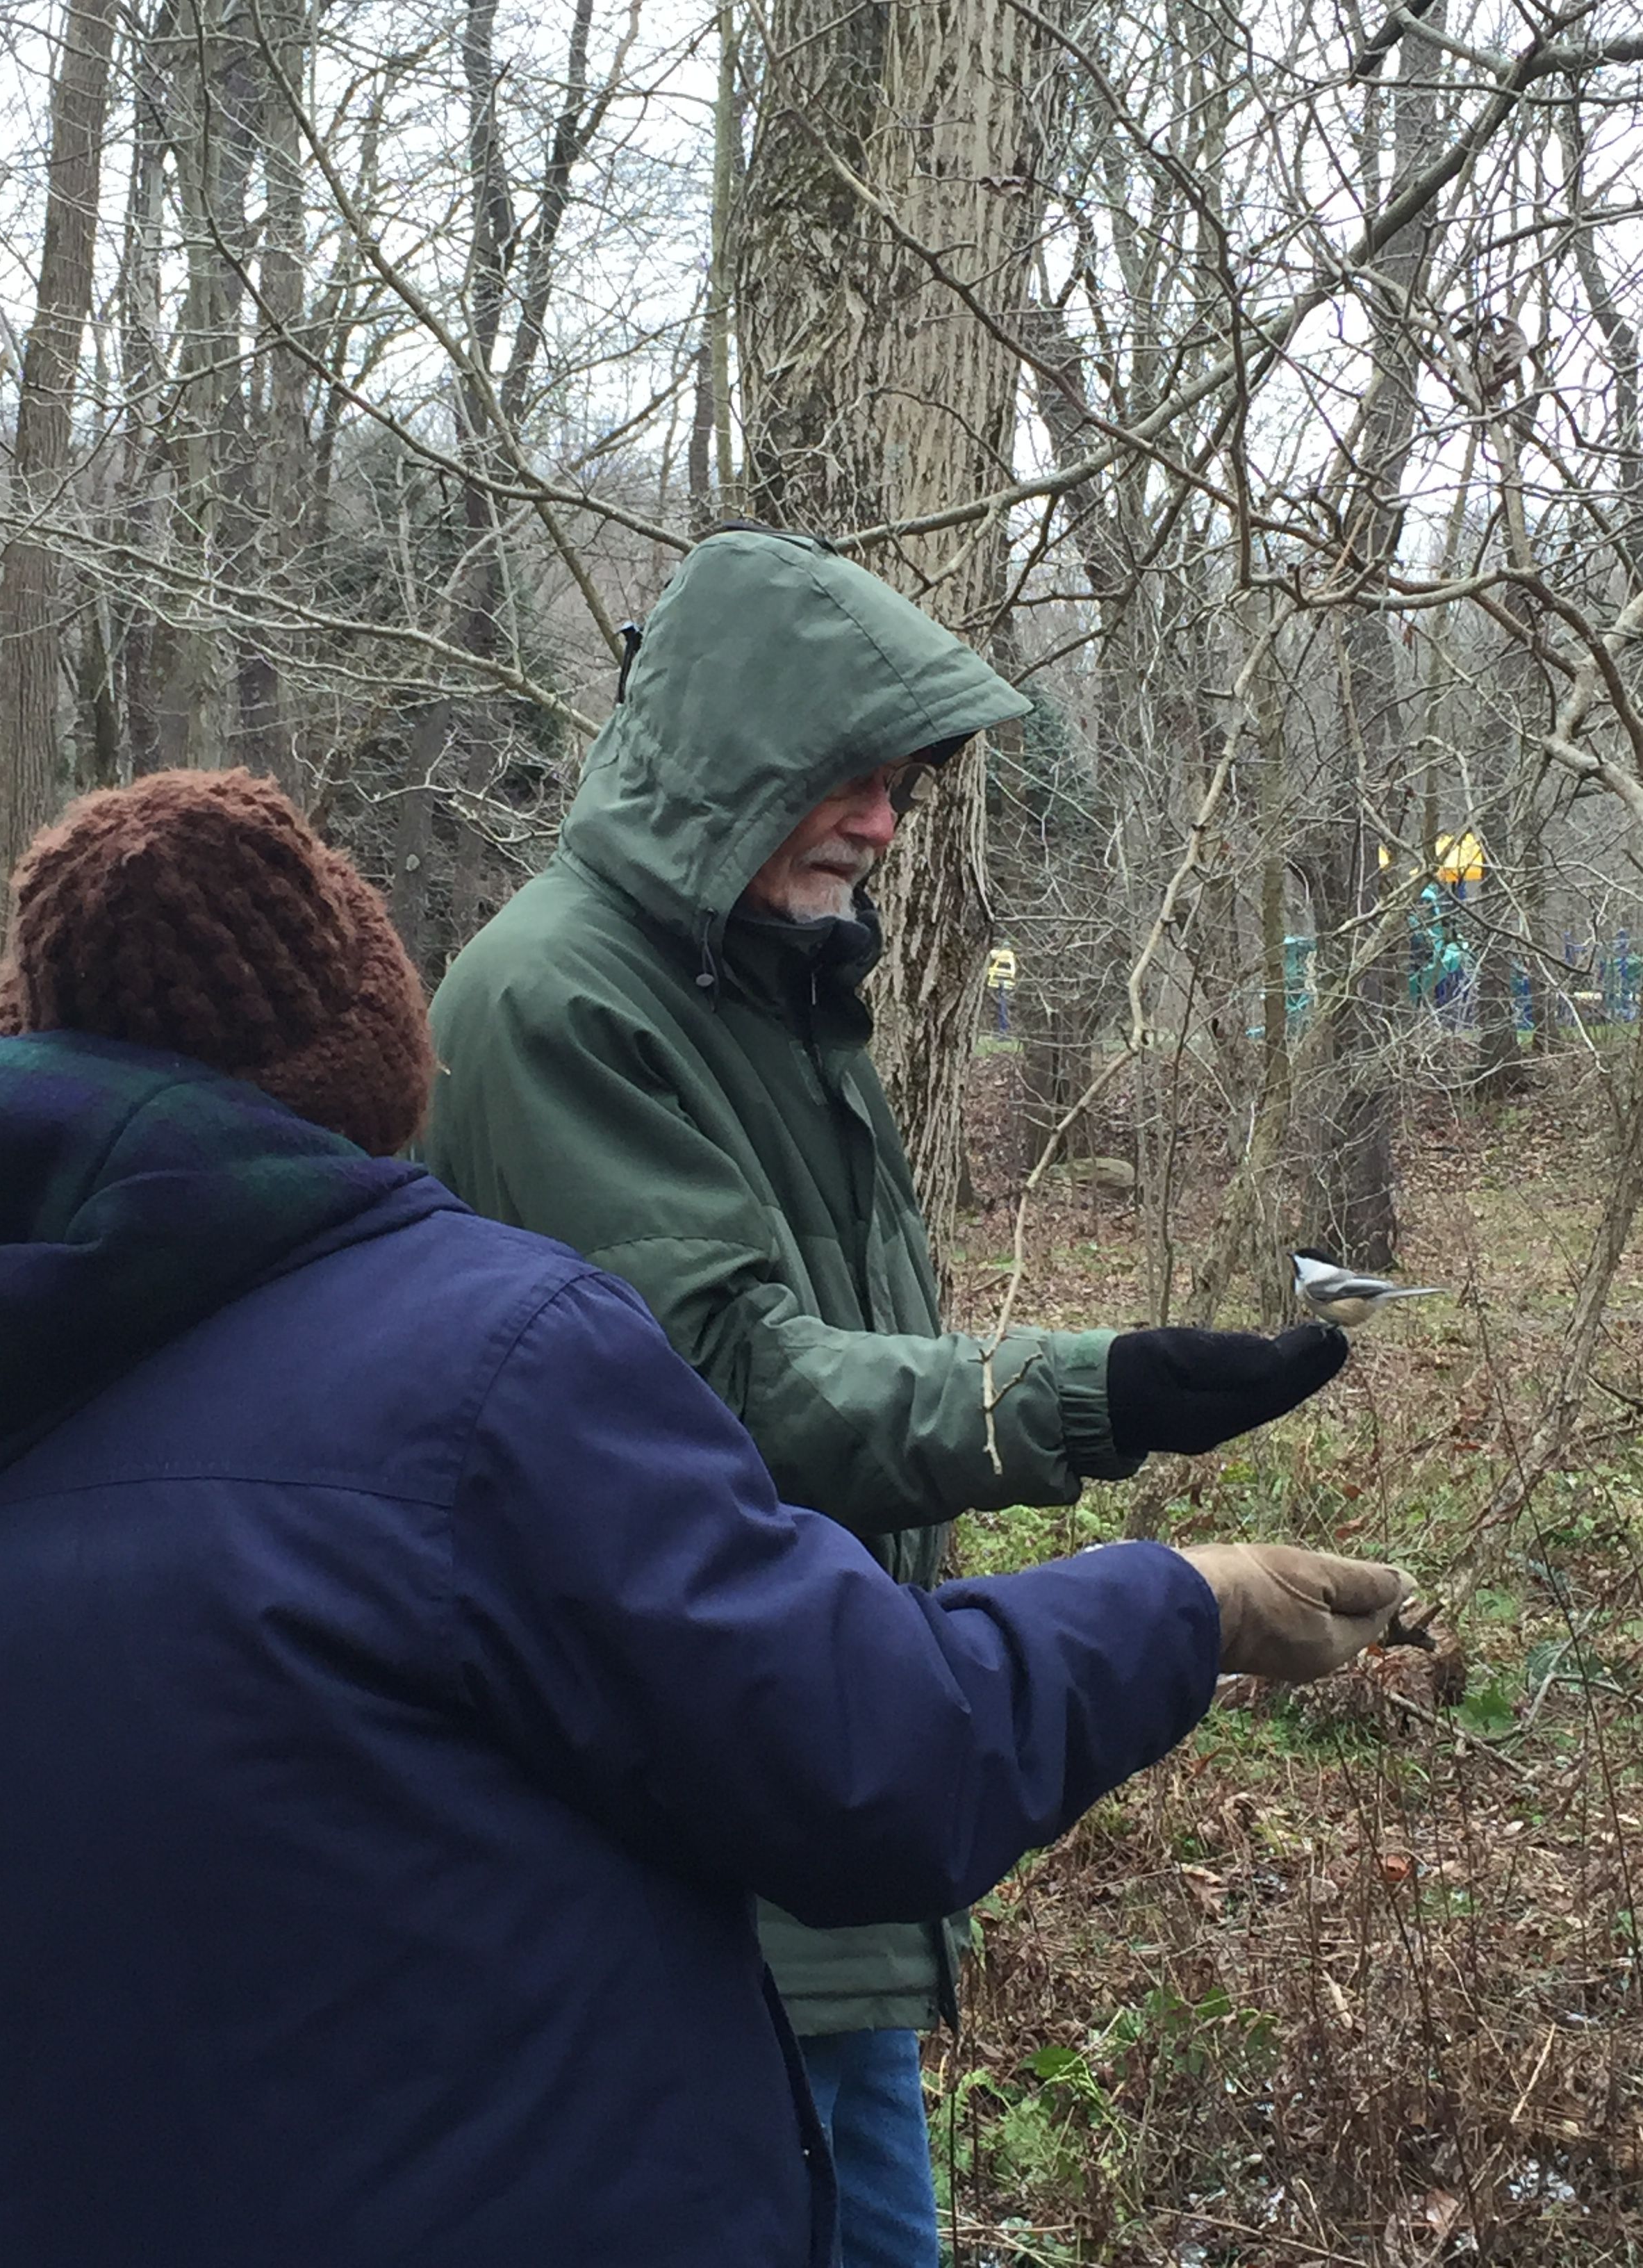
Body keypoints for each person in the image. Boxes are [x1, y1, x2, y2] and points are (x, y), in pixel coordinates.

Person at [0, 767, 1407, 2268]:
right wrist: (1189, 1597)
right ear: (374, 1057)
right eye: (847, 781)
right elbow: (873, 1751)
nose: (880, 821)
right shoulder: (480, 1358)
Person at [422, 527, 1359, 2266]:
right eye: (840, 777)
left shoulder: (761, 990)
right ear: (725, 756)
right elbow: (728, 1388)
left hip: (801, 1804)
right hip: (691, 1847)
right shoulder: (563, 1002)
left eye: (898, 786)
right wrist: (1104, 1393)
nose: (879, 820)